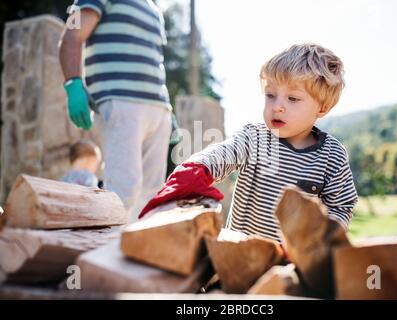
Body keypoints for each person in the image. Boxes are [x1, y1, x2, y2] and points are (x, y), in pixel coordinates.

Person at [139, 43, 359, 243]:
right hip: (240, 255)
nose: (277, 106)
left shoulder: (331, 155)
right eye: (270, 95)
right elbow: (225, 151)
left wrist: (326, 236)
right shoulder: (256, 137)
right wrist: (198, 168)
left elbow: (341, 206)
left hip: (295, 263)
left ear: (322, 108)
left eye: (292, 98)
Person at [59, 0, 172, 221]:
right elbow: (71, 36)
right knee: (122, 191)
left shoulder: (153, 8)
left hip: (159, 111)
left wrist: (167, 110)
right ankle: (103, 253)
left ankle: (137, 252)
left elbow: (153, 60)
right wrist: (72, 83)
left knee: (152, 197)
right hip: (121, 101)